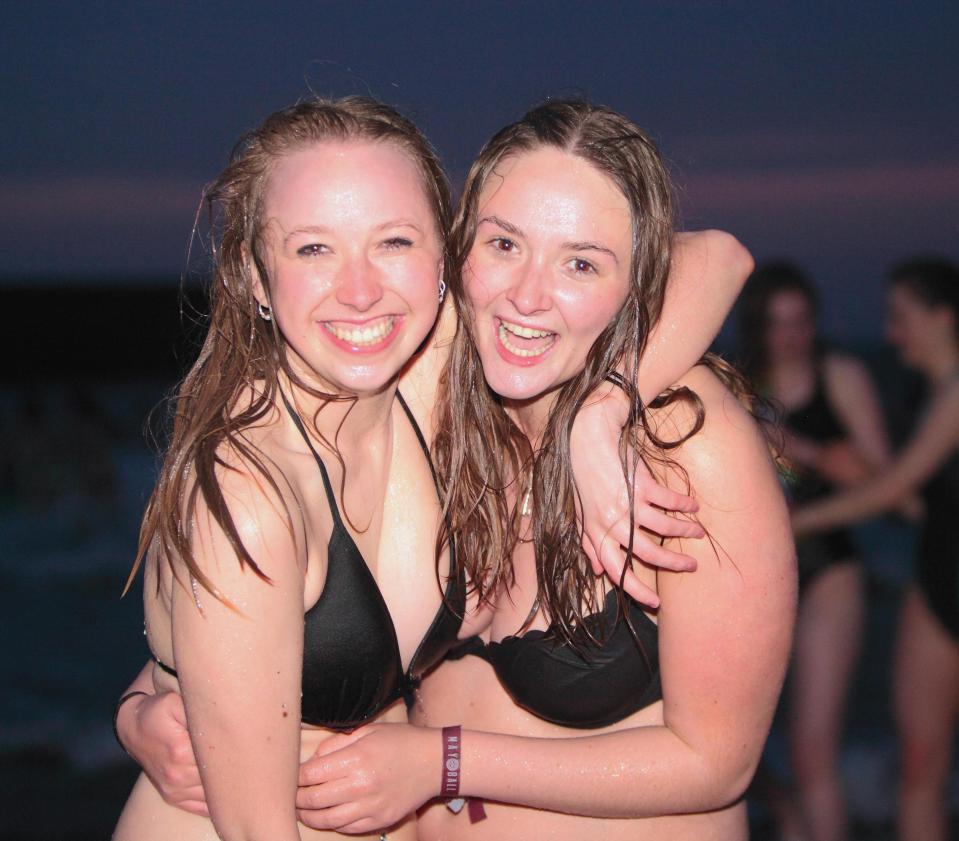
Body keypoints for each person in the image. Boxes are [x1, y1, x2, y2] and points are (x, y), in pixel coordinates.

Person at [112, 96, 752, 841]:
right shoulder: (250, 490)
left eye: (393, 242)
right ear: (255, 275)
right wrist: (143, 706)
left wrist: (599, 409)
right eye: (313, 249)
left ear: (445, 261)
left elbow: (715, 257)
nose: (359, 290)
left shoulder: (429, 370)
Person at [284, 101, 796, 841]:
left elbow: (716, 760)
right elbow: (280, 573)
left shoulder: (681, 440)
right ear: (458, 249)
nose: (527, 296)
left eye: (579, 263)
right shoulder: (434, 412)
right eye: (503, 245)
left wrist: (444, 763)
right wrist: (145, 709)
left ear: (635, 288)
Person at [792, 259, 959, 841]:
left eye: (900, 317)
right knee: (920, 768)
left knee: (923, 772)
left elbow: (893, 489)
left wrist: (791, 523)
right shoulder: (926, 392)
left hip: (941, 579)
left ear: (944, 317)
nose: (890, 333)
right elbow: (919, 506)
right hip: (937, 583)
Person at [738, 263, 891, 841]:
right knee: (745, 756)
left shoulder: (841, 375)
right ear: (758, 326)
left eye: (801, 321)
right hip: (755, 578)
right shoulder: (739, 384)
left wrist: (803, 447)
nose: (791, 335)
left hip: (830, 569)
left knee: (811, 752)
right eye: (778, 324)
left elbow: (882, 481)